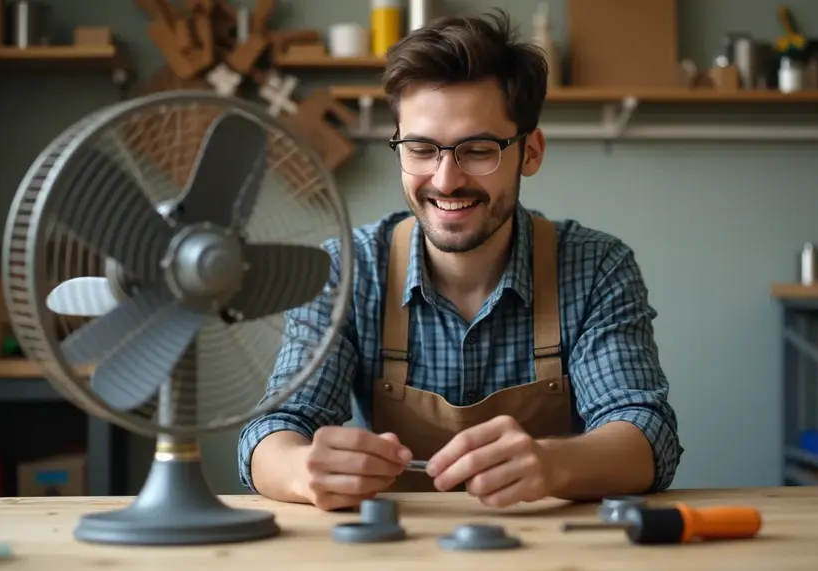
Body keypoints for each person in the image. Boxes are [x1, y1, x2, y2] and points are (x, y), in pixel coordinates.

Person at [237, 9, 683, 511]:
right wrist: (302, 469)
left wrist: (553, 464)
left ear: (530, 152)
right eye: (422, 149)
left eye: (477, 149)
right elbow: (272, 432)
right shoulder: (348, 270)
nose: (445, 180)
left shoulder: (596, 266)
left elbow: (647, 435)